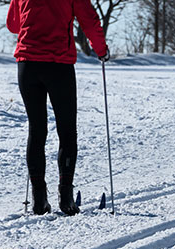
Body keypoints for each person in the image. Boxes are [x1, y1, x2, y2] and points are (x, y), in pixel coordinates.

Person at [7, 0, 109, 216]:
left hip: (28, 64)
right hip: (58, 64)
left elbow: (13, 24)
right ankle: (66, 196)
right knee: (66, 129)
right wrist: (101, 49)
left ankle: (39, 198)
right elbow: (89, 19)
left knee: (37, 129)